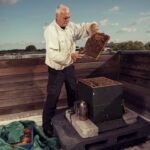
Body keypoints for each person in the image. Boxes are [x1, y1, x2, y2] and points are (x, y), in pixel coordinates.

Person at [43, 4, 99, 137]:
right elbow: (53, 55)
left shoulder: (70, 26)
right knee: (53, 97)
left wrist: (92, 26)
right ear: (57, 16)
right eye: (65, 18)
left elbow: (83, 28)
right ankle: (46, 125)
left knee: (74, 93)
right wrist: (70, 56)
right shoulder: (50, 31)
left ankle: (73, 119)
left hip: (69, 67)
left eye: (69, 17)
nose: (67, 20)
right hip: (56, 69)